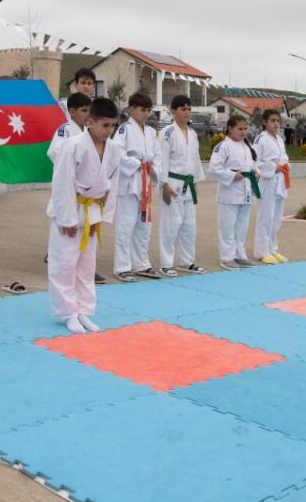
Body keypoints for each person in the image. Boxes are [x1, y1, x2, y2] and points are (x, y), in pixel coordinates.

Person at [47, 97, 122, 333]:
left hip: (92, 210)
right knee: (65, 263)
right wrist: (66, 218)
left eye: (112, 126)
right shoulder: (73, 145)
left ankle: (84, 311)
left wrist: (103, 216)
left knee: (87, 265)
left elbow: (113, 184)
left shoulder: (114, 149)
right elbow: (62, 182)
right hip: (70, 207)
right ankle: (68, 313)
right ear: (90, 122)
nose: (108, 131)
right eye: (104, 125)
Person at [111, 92, 161, 280]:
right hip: (129, 183)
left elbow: (157, 156)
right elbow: (117, 153)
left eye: (148, 110)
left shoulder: (149, 131)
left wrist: (154, 169)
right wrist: (136, 164)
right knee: (125, 225)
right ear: (132, 109)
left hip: (145, 182)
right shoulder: (124, 129)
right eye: (142, 110)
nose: (146, 114)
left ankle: (142, 264)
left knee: (144, 225)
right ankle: (122, 266)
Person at [158, 94, 206, 274]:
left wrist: (196, 182)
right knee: (170, 226)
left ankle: (186, 261)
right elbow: (161, 159)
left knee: (189, 226)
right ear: (173, 111)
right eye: (182, 109)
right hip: (172, 183)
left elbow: (195, 160)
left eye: (189, 108)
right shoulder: (167, 132)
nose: (187, 112)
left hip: (189, 184)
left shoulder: (192, 134)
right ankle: (166, 263)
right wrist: (163, 184)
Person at [209, 114, 261, 269]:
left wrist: (256, 172)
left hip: (245, 191)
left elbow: (252, 164)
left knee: (241, 226)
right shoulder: (223, 146)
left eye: (245, 129)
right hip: (230, 192)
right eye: (240, 129)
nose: (243, 132)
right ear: (230, 129)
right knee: (227, 226)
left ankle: (239, 254)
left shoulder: (247, 145)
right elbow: (214, 168)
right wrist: (232, 175)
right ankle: (227, 257)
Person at [253, 109, 290, 264]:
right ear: (264, 122)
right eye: (272, 120)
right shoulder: (261, 139)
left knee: (276, 219)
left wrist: (285, 165)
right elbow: (256, 162)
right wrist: (273, 167)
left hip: (280, 181)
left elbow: (284, 157)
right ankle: (262, 251)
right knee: (265, 218)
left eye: (277, 121)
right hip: (267, 182)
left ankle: (273, 249)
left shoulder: (279, 139)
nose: (276, 123)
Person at [48, 92, 91, 164]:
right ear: (72, 112)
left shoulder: (90, 129)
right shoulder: (65, 130)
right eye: (84, 110)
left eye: (90, 110)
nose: (88, 114)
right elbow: (54, 151)